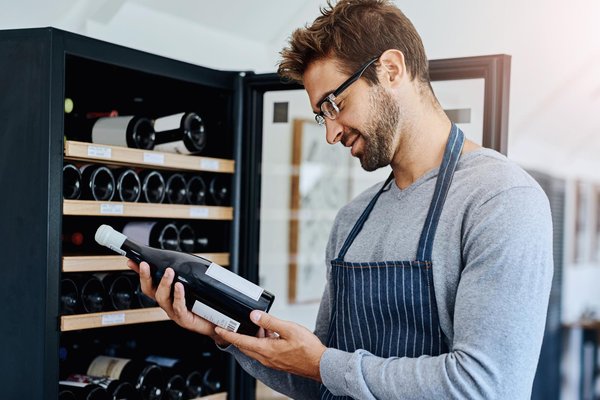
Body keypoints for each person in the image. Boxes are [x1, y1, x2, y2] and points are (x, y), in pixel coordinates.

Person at [129, 0, 554, 398]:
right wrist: (223, 332)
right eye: (321, 115)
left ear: (390, 69)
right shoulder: (354, 219)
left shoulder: (500, 200)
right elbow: (323, 382)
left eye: (335, 103)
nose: (331, 133)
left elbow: (485, 386)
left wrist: (324, 364)